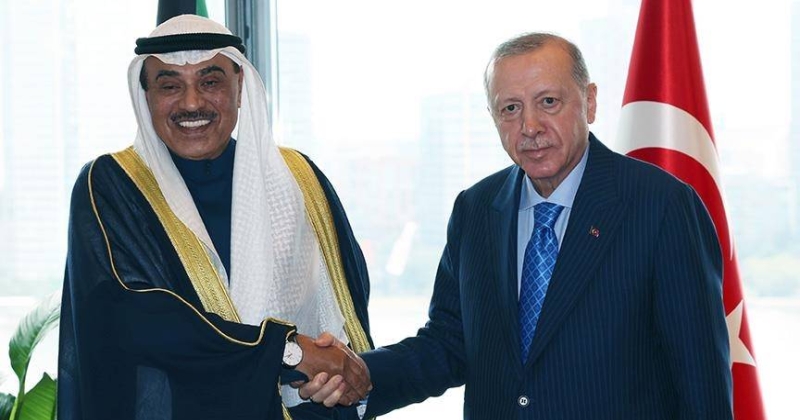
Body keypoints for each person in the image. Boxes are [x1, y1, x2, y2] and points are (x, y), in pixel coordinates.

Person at [302, 32, 733, 419]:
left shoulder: (662, 206)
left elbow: (700, 378)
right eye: (510, 109)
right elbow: (449, 343)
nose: (530, 127)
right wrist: (362, 374)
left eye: (549, 102)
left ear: (589, 102)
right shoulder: (476, 209)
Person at [57, 14, 373, 420]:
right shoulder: (112, 184)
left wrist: (332, 378)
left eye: (210, 82)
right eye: (170, 86)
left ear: (239, 87)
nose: (192, 103)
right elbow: (134, 319)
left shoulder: (299, 179)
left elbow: (344, 302)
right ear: (146, 96)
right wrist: (287, 351)